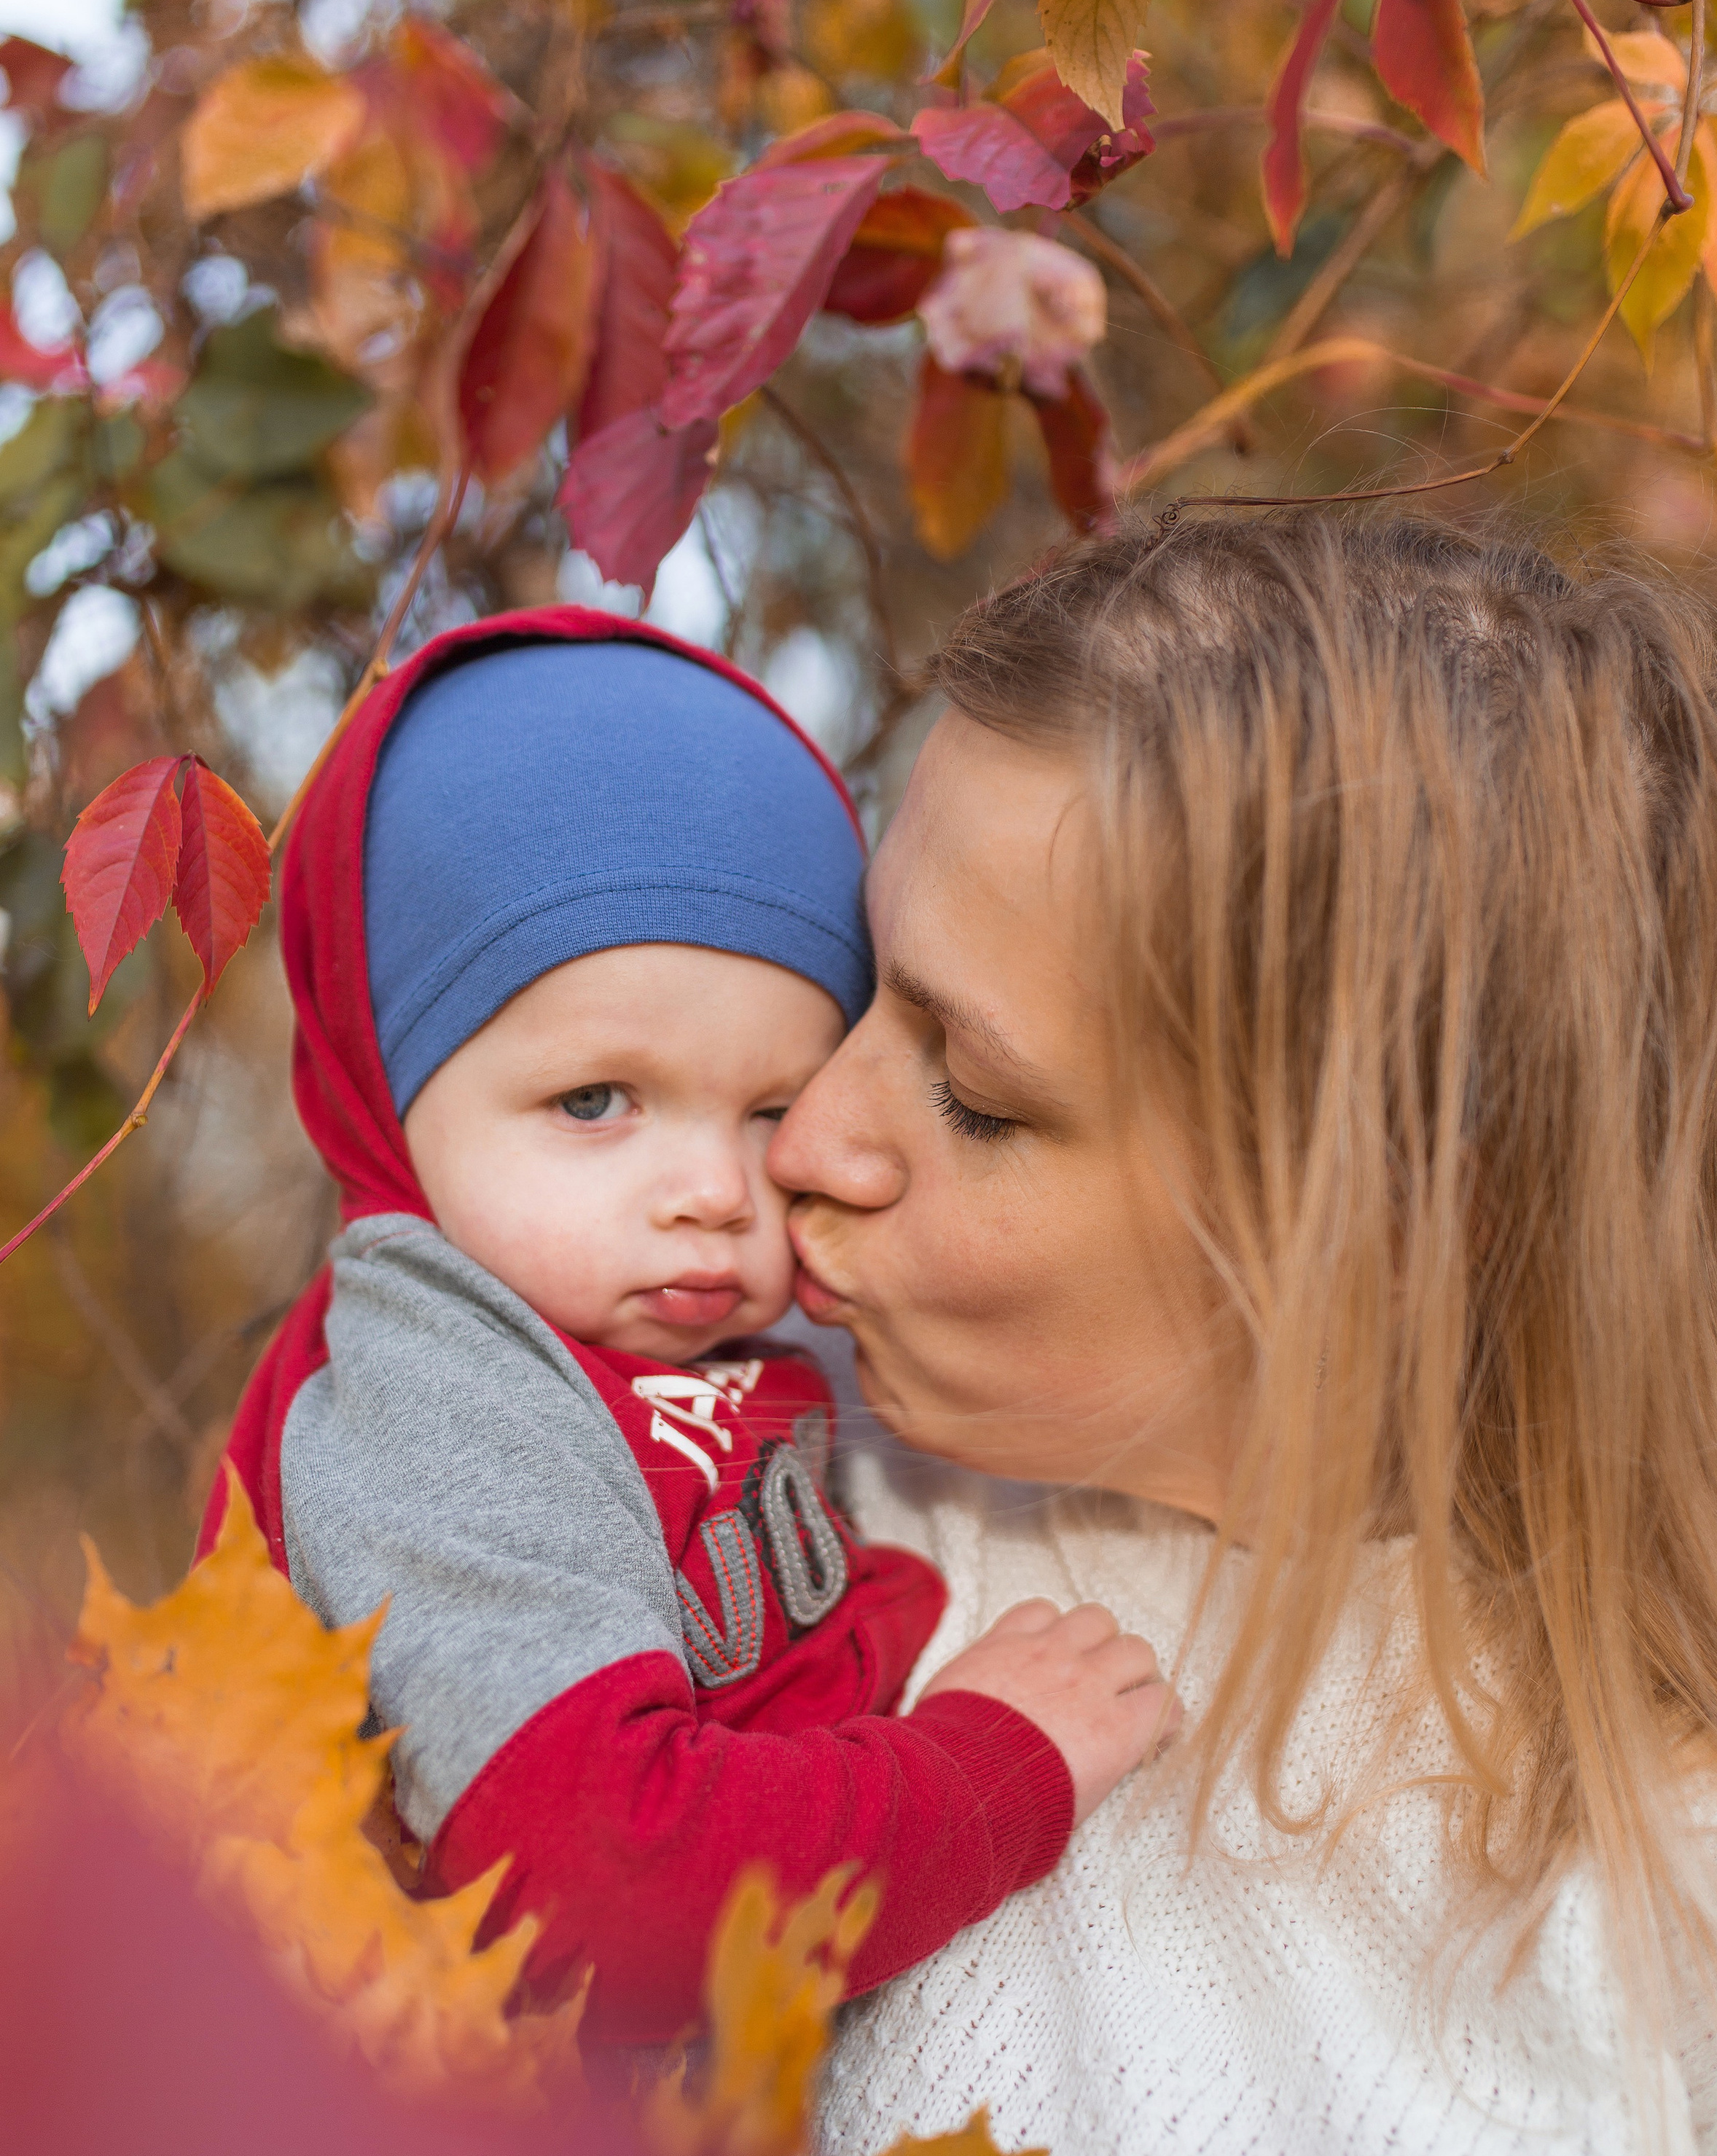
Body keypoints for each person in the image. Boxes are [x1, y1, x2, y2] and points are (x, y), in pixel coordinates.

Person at [770, 511, 1717, 2156]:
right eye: (860, 987)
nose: (814, 1130)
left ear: (1364, 1239)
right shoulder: (747, 1554)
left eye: (974, 1094)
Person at [200, 608, 1174, 2046]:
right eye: (595, 1102)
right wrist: (981, 1770)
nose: (715, 1193)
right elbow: (604, 1881)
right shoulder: (436, 1396)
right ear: (386, 1096)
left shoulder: (680, 1328)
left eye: (773, 1107)